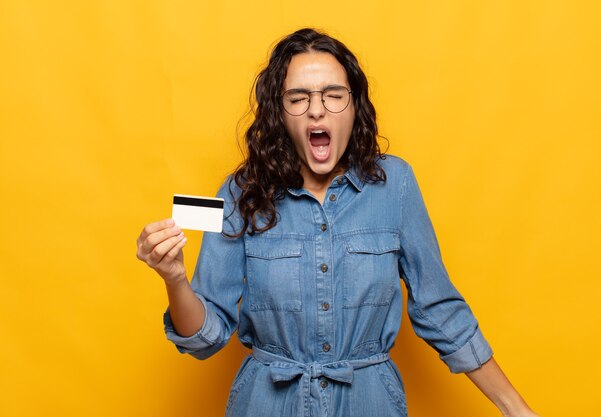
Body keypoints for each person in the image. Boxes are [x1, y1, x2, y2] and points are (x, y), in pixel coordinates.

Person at [136, 28, 539, 417]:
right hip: (265, 403)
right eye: (298, 97)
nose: (317, 108)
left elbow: (440, 310)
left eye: (333, 95)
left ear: (354, 106)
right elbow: (203, 339)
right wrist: (174, 278)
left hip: (370, 402)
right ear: (279, 111)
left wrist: (516, 409)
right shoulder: (241, 192)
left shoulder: (395, 185)